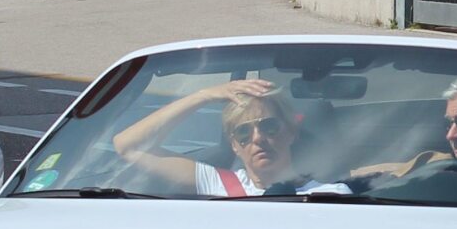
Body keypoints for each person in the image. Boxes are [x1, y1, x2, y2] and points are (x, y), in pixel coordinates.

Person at [110, 77, 335, 196]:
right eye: (244, 132)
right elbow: (127, 146)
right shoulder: (221, 185)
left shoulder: (328, 195)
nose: (257, 138)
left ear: (291, 132)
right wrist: (204, 95)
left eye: (269, 127)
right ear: (234, 145)